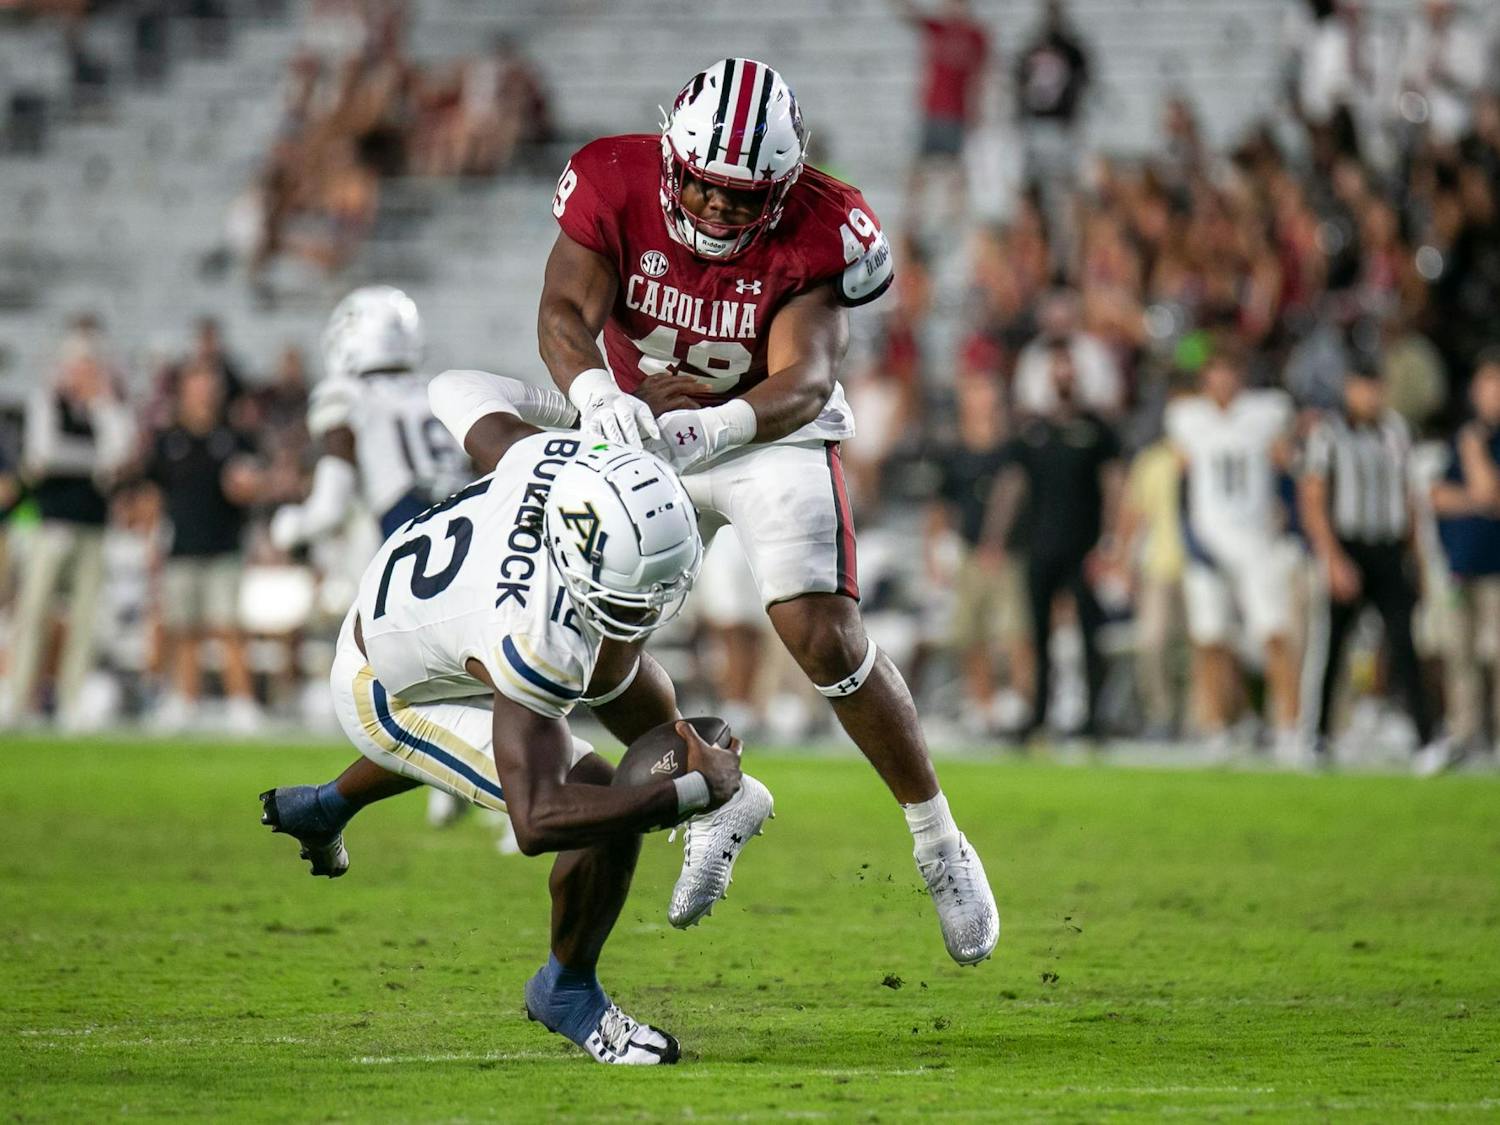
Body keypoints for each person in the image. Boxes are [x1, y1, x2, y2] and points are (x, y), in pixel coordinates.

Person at [537, 58, 998, 964]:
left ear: (782, 189)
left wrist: (706, 431)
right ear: (672, 161)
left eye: (739, 199)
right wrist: (597, 394)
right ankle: (721, 788)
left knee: (820, 632)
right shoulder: (610, 179)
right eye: (703, 189)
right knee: (588, 654)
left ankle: (939, 838)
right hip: (637, 426)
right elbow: (561, 310)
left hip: (761, 430)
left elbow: (807, 377)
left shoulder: (826, 226)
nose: (715, 211)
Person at [259, 372, 748, 1065]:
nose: (648, 610)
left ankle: (325, 807)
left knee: (569, 701)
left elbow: (455, 385)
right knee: (601, 795)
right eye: (633, 595)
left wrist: (587, 404)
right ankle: (567, 990)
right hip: (389, 689)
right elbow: (537, 817)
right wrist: (686, 793)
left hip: (414, 612)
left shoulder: (556, 457)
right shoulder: (532, 634)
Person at [1298, 361, 1443, 770]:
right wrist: (1332, 558)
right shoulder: (1328, 434)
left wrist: (1415, 555)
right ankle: (1318, 736)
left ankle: (1425, 739)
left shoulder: (1395, 431)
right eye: (1363, 388)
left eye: (1376, 387)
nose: (1370, 397)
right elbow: (1313, 499)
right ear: (1349, 389)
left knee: (1404, 642)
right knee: (1334, 645)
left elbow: (1408, 494)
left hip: (1388, 548)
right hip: (1349, 546)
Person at [1168, 352, 1301, 760]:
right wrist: (1188, 538)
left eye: (1230, 369)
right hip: (1208, 541)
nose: (1223, 379)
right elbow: (1181, 477)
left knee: (1274, 633)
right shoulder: (1187, 416)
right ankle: (1217, 727)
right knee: (1210, 638)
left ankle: (1289, 727)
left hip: (1257, 539)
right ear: (1205, 378)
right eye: (1215, 371)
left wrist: (1288, 524)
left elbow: (1288, 464)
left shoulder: (1267, 412)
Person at [985, 343, 1122, 739]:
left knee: (1089, 633)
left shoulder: (1096, 428)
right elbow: (1011, 485)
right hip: (1039, 545)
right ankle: (1039, 713)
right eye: (1057, 367)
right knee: (1038, 633)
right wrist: (995, 538)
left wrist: (1111, 542)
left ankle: (1095, 717)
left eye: (1068, 367)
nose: (1063, 375)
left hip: (1084, 545)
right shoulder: (1033, 430)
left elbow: (1113, 485)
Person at [3, 334, 136, 728]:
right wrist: (94, 465)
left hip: (93, 526)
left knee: (85, 617)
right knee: (33, 612)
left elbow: (120, 454)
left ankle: (71, 700)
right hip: (51, 523)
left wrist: (103, 407)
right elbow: (44, 455)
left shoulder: (104, 408)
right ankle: (17, 697)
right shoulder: (47, 402)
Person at [145, 363, 263, 734]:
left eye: (209, 388)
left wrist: (246, 486)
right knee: (184, 631)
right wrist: (151, 539)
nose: (203, 395)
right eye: (197, 387)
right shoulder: (168, 440)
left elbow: (252, 485)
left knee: (229, 628)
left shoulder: (234, 438)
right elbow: (152, 494)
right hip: (181, 547)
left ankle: (242, 704)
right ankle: (185, 701)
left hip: (223, 546)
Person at [926, 372, 1030, 735]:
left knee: (1015, 633)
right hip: (968, 553)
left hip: (1008, 555)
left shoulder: (1011, 448)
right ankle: (983, 706)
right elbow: (941, 507)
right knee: (969, 634)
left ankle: (1019, 705)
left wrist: (999, 543)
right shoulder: (955, 452)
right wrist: (934, 553)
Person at [1430, 352, 1500, 772]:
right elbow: (1436, 496)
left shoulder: (1471, 442)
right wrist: (1477, 498)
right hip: (1461, 564)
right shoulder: (1458, 437)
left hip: (1498, 568)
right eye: (1487, 384)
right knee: (1460, 656)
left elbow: (1490, 493)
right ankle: (1464, 735)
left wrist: (1474, 454)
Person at [892, 0, 991, 224]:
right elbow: (909, 15)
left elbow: (982, 75)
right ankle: (911, 218)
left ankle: (956, 217)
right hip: (932, 111)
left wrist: (978, 108)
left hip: (957, 114)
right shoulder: (937, 27)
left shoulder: (975, 36)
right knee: (919, 167)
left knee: (956, 169)